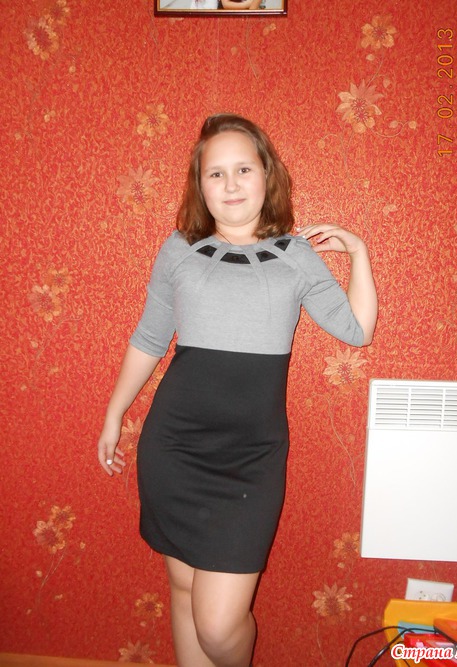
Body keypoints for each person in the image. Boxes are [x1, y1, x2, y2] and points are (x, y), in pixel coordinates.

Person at [97, 113, 377, 667]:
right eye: (215, 173)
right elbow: (150, 337)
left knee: (220, 626)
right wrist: (114, 415)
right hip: (175, 447)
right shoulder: (179, 248)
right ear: (200, 185)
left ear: (267, 175)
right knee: (183, 590)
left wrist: (359, 252)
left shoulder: (295, 255)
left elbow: (357, 331)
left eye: (243, 169)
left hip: (251, 459)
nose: (230, 184)